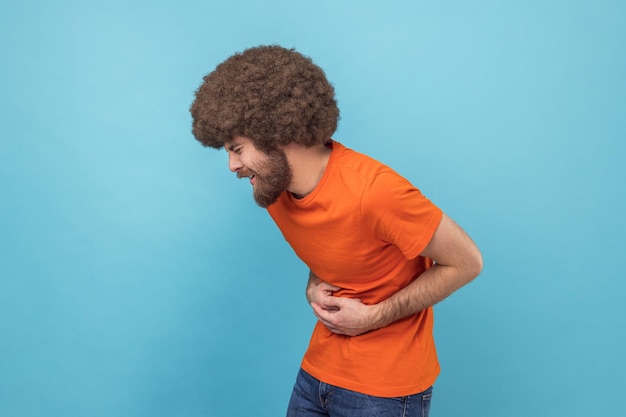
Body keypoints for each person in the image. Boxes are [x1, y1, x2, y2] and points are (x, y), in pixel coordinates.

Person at [190, 45, 483, 417]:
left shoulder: (374, 191)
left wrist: (373, 317)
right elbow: (338, 244)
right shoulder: (275, 190)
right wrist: (314, 283)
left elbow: (467, 262)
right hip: (317, 372)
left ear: (276, 133)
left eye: (237, 149)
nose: (233, 165)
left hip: (385, 389)